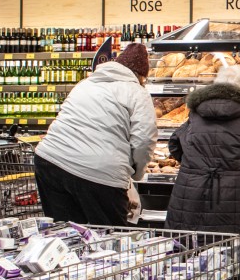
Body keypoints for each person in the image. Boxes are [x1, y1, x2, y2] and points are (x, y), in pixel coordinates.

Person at [34, 42, 157, 225]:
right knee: (110, 238)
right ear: (140, 76)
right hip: (98, 172)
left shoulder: (86, 83)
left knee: (66, 234)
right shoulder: (137, 92)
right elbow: (144, 138)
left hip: (50, 161)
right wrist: (137, 173)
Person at [164, 64, 240, 252]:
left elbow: (175, 144)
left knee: (188, 252)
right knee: (231, 251)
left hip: (191, 189)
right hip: (234, 192)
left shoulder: (197, 109)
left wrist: (195, 164)